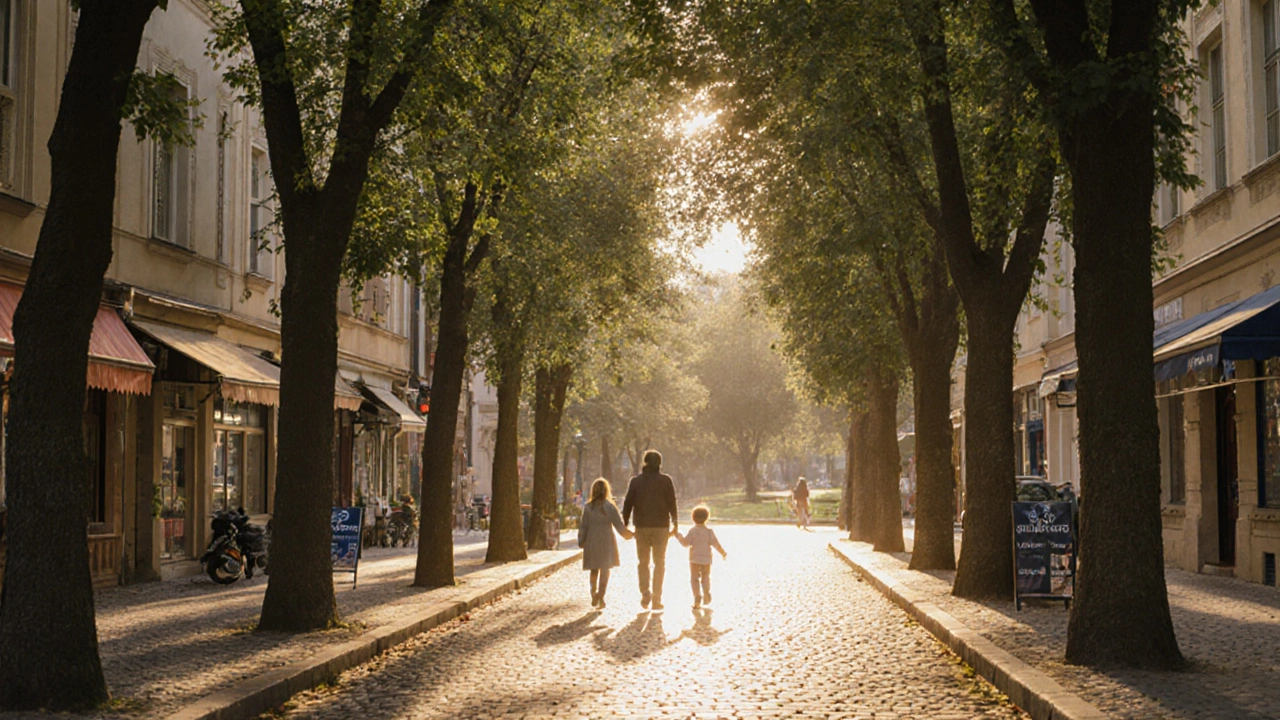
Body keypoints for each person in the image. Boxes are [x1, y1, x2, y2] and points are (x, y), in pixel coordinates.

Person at [623, 449, 678, 611]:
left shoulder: (635, 481)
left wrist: (625, 523)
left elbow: (628, 503)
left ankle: (645, 591)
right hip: (661, 526)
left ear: (644, 462)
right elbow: (672, 502)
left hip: (641, 526)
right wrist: (675, 522)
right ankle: (656, 598)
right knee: (659, 563)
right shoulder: (666, 480)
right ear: (660, 463)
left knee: (643, 562)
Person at [577, 478, 633, 609]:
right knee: (605, 569)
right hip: (607, 542)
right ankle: (601, 595)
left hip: (591, 541)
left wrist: (581, 540)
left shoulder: (588, 507)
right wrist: (629, 535)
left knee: (594, 569)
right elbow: (619, 525)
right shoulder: (610, 507)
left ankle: (593, 593)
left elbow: (583, 526)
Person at [673, 505, 727, 609]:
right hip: (706, 560)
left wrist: (678, 535)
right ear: (707, 518)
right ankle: (706, 592)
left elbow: (685, 543)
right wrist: (723, 553)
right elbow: (716, 544)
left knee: (694, 579)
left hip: (694, 559)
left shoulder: (693, 531)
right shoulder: (709, 532)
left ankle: (697, 596)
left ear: (693, 518)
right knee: (706, 577)